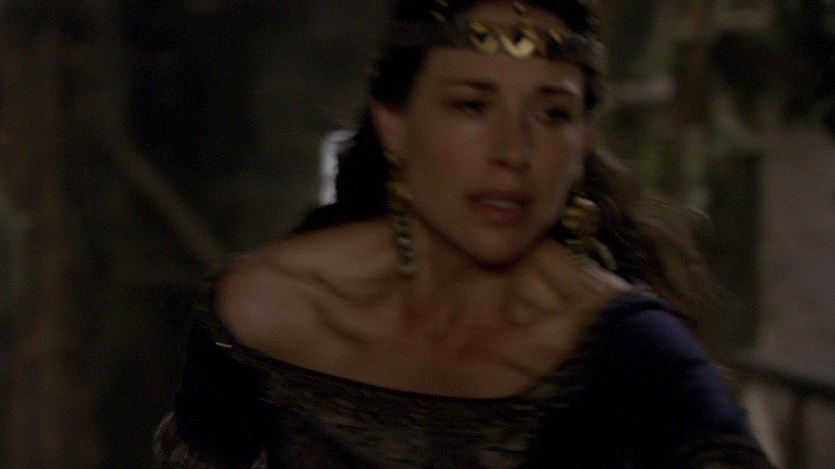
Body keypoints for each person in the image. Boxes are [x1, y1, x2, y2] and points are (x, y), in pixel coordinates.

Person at [155, 0, 774, 467]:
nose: (514, 152)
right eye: (472, 106)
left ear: (582, 143)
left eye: (551, 114)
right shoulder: (264, 310)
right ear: (395, 125)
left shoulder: (628, 346)